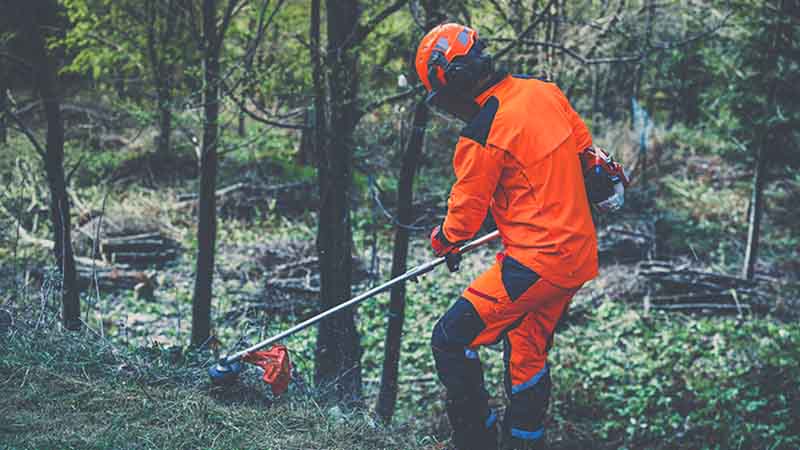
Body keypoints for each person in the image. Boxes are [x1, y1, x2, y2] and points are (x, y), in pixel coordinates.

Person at [416, 23, 626, 450]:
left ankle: (475, 439)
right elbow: (587, 155)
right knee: (527, 349)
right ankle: (524, 442)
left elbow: (465, 216)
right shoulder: (544, 92)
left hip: (536, 264)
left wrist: (443, 240)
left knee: (450, 339)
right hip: (577, 257)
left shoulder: (483, 131)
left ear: (455, 81)